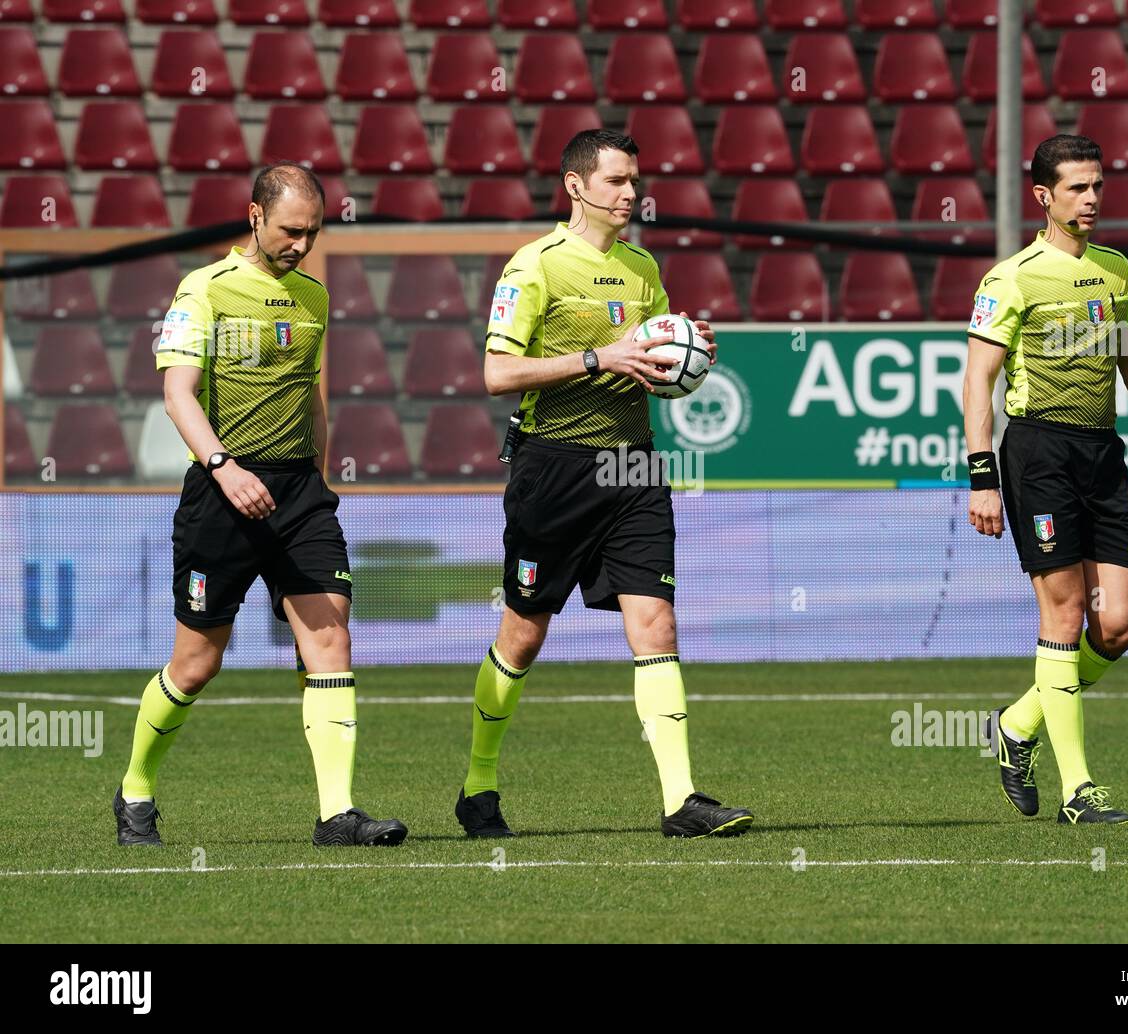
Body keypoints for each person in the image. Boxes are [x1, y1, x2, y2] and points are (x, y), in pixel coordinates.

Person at [456, 128, 753, 839]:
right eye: (617, 181)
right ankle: (478, 785)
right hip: (553, 468)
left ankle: (681, 800)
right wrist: (598, 357)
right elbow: (497, 375)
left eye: (635, 181)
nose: (630, 193)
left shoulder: (642, 267)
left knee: (656, 624)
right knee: (523, 635)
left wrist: (686, 355)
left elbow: (646, 367)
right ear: (576, 186)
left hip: (636, 465)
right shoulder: (535, 267)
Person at [113, 162, 406, 848]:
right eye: (289, 231)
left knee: (330, 637)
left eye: (313, 232)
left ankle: (337, 814)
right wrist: (223, 467)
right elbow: (178, 393)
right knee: (196, 664)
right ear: (253, 217)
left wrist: (319, 480)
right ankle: (134, 792)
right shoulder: (203, 290)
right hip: (222, 494)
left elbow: (311, 395)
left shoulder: (313, 296)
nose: (301, 245)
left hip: (299, 493)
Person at [963, 135, 1128, 825]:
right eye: (1077, 189)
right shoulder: (1013, 277)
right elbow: (978, 381)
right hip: (1037, 455)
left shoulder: (1118, 272)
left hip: (1103, 453)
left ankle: (1016, 726)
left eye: (1097, 186)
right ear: (1044, 197)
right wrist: (981, 475)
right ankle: (1078, 791)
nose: (1091, 199)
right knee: (1063, 616)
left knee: (1117, 626)